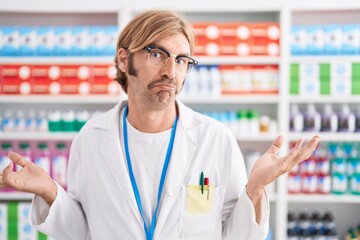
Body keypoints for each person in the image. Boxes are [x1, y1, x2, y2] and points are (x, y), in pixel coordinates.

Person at [0, 10, 319, 240]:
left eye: (182, 60)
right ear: (125, 60)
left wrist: (256, 188)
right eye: (157, 54)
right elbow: (83, 230)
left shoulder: (215, 139)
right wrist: (50, 192)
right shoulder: (91, 138)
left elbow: (236, 236)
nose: (171, 70)